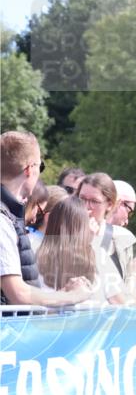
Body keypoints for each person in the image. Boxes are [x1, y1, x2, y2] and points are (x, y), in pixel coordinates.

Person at [1, 131, 91, 307]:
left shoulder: (8, 216)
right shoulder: (2, 220)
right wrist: (73, 296)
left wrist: (59, 297)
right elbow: (18, 294)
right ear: (29, 169)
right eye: (40, 166)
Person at [37, 196, 126, 306]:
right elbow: (119, 301)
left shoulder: (36, 254)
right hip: (93, 316)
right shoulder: (97, 255)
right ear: (83, 227)